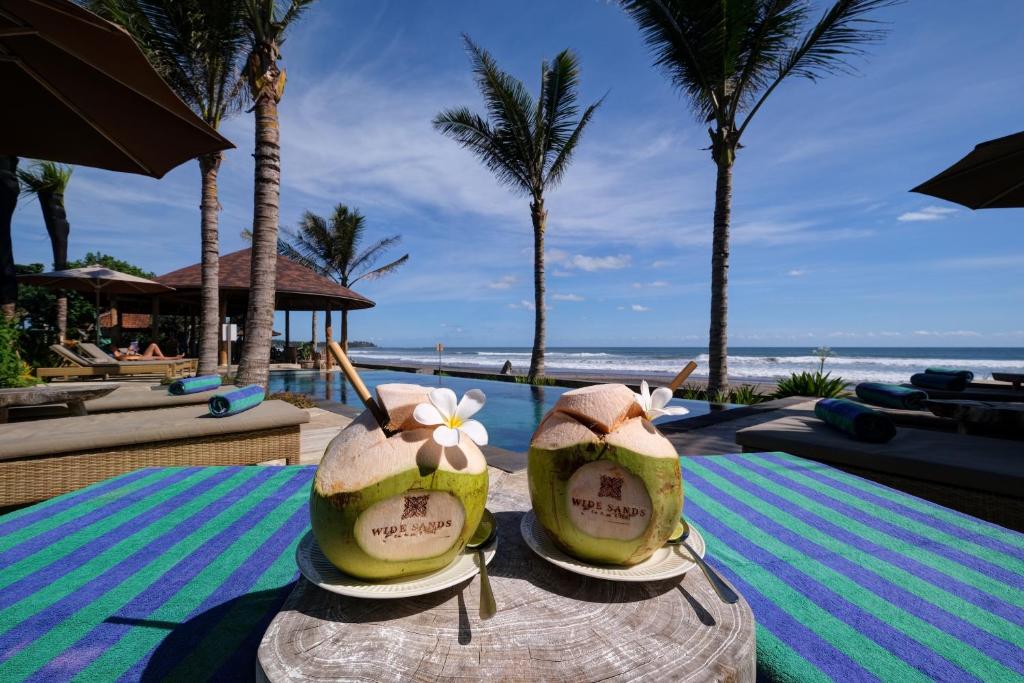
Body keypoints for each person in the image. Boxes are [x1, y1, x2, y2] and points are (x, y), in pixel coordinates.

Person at [111, 342, 183, 361]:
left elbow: (132, 354)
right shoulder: (117, 355)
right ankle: (175, 358)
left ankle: (163, 358)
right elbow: (124, 359)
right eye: (114, 348)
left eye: (115, 347)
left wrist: (133, 349)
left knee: (153, 345)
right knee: (156, 357)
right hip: (139, 359)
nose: (115, 348)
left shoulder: (120, 351)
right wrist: (128, 351)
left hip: (141, 357)